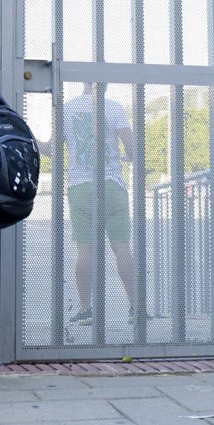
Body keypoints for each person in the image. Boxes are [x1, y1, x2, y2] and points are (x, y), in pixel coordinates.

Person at [60, 83, 139, 326]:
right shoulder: (114, 108)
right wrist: (126, 156)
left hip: (80, 185)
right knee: (122, 247)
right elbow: (132, 147)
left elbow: (53, 148)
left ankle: (86, 310)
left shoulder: (67, 109)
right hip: (112, 183)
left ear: (84, 84)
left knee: (85, 249)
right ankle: (135, 308)